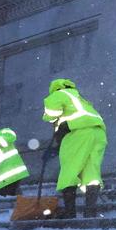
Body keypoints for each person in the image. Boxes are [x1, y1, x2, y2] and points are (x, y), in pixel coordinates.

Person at [41, 78, 107, 219]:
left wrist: (50, 118)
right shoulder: (80, 99)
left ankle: (70, 212)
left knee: (69, 171)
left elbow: (51, 110)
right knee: (91, 173)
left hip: (78, 133)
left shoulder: (60, 93)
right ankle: (90, 211)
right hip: (98, 133)